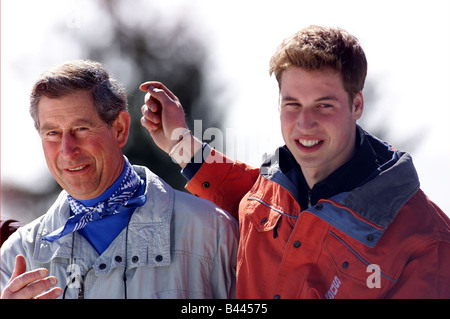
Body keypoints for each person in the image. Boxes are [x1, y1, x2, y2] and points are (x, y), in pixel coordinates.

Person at [139, 25, 450, 299]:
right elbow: (244, 194)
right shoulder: (270, 188)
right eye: (293, 104)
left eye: (323, 105)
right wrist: (178, 143)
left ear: (357, 105)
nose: (305, 123)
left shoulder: (426, 242)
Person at [1, 60, 238, 299]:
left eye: (81, 129)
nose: (67, 150)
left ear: (120, 129)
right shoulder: (17, 254)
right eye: (52, 133)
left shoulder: (212, 233)